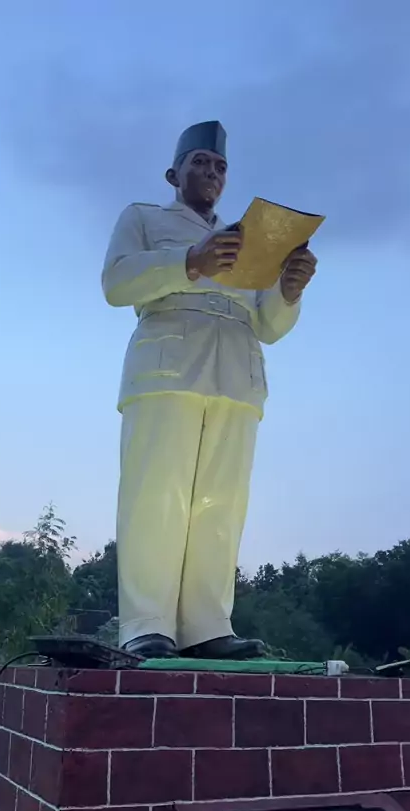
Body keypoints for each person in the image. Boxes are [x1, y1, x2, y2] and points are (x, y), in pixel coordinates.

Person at [102, 120, 317, 659]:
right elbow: (117, 283)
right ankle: (146, 623)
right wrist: (189, 262)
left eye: (220, 166)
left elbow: (269, 325)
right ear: (173, 174)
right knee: (156, 495)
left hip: (238, 376)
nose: (211, 172)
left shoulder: (250, 239)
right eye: (199, 162)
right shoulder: (144, 218)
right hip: (167, 369)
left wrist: (289, 291)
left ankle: (207, 625)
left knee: (222, 503)